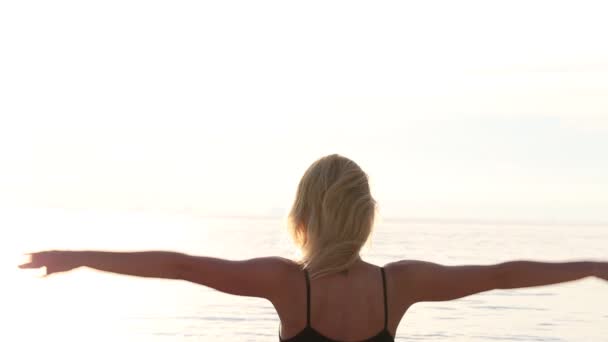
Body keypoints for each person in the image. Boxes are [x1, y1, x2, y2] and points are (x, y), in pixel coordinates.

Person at [19, 154, 607, 341]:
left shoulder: (287, 283)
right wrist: (591, 266)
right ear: (366, 216)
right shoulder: (397, 285)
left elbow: (181, 265)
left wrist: (79, 255)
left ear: (303, 215)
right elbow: (501, 274)